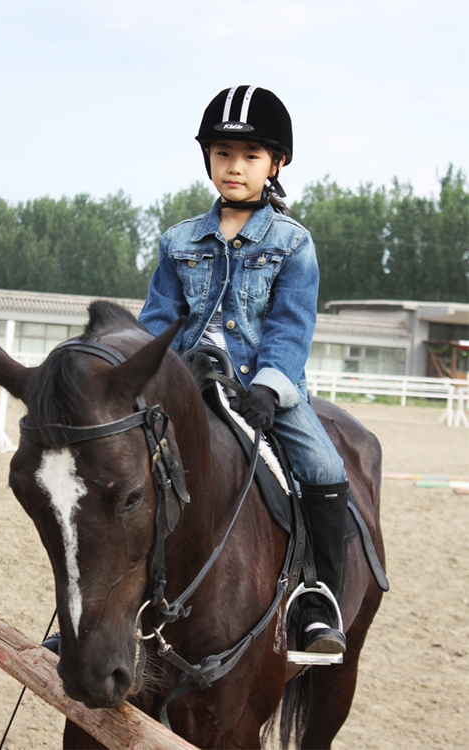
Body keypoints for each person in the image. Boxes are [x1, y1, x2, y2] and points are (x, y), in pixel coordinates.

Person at [139, 85, 349, 654]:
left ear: (275, 164)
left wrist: (269, 389)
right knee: (116, 458)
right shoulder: (178, 240)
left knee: (324, 467)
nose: (235, 167)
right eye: (223, 153)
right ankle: (95, 612)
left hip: (263, 389)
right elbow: (158, 321)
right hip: (185, 382)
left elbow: (291, 328)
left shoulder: (292, 243)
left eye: (251, 155)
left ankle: (317, 600)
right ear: (208, 158)